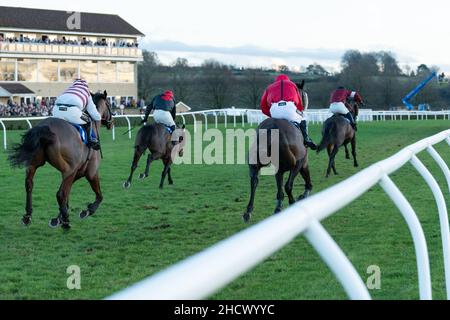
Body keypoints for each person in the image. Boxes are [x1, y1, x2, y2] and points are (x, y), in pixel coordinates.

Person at [260, 74, 317, 150]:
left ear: (276, 80)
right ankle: (306, 139)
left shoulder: (270, 87)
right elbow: (298, 101)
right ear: (288, 80)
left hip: (274, 110)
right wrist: (299, 111)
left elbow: (263, 106)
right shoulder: (292, 85)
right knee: (303, 117)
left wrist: (271, 115)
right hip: (289, 108)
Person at [52, 79, 101, 150]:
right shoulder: (86, 92)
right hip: (72, 111)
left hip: (56, 110)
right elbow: (92, 110)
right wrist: (98, 117)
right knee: (89, 120)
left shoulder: (68, 89)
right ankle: (92, 140)